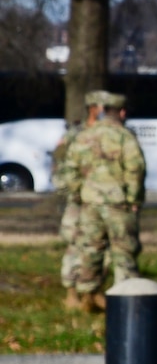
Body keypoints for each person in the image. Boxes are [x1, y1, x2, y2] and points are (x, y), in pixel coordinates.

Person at [65, 90, 145, 313]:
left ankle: (87, 296)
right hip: (118, 204)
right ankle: (126, 300)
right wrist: (133, 199)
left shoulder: (85, 135)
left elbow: (70, 168)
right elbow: (135, 169)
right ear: (121, 112)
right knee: (123, 251)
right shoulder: (124, 137)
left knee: (90, 250)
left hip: (89, 203)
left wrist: (78, 193)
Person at [52, 117, 84, 307]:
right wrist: (72, 190)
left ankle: (89, 293)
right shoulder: (72, 137)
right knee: (74, 245)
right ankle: (71, 293)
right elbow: (59, 172)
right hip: (78, 202)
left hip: (97, 201)